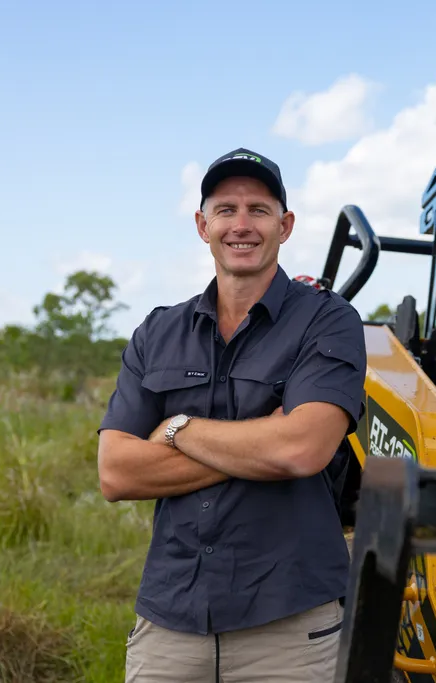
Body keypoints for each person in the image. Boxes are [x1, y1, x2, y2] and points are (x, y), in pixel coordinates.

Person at [96, 147, 367, 682]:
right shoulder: (158, 332)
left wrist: (177, 429)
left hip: (288, 628)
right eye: (225, 210)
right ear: (203, 226)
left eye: (259, 210)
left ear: (285, 226)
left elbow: (302, 449)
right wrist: (265, 439)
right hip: (170, 623)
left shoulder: (329, 321)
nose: (241, 225)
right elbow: (116, 472)